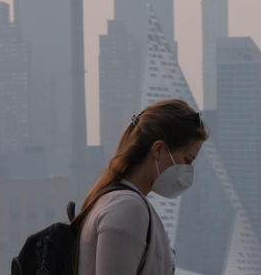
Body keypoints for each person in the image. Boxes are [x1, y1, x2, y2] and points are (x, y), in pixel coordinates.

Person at [76, 99, 208, 275]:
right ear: (158, 150)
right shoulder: (127, 207)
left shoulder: (117, 202)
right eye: (187, 160)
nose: (188, 171)